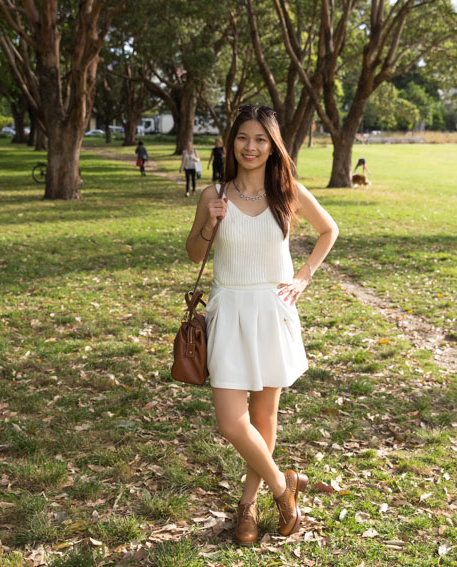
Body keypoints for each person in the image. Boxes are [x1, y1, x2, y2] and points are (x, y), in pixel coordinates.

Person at [185, 104, 338, 545]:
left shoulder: (286, 191)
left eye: (260, 140)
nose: (250, 147)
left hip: (272, 309)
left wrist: (303, 276)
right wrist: (210, 223)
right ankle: (282, 485)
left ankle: (248, 505)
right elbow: (195, 254)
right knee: (232, 422)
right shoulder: (214, 193)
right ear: (231, 143)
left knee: (264, 417)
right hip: (228, 309)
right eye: (242, 138)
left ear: (273, 147)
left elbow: (329, 230)